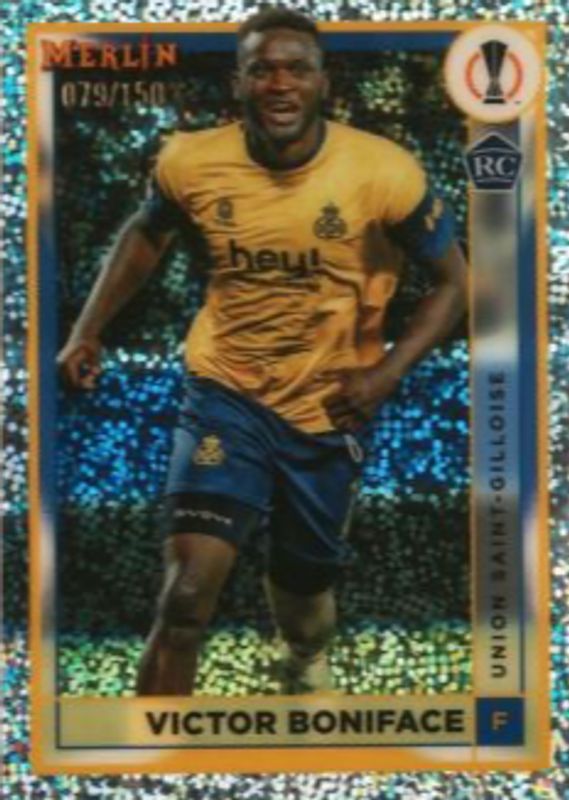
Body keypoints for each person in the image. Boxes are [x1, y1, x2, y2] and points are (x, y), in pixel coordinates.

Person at [57, 7, 467, 696]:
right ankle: (152, 751)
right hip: (226, 392)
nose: (280, 84)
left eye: (296, 70)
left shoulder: (383, 172)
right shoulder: (190, 160)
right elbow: (146, 233)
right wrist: (87, 328)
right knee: (186, 596)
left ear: (323, 84)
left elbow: (455, 282)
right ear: (238, 83)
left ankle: (303, 659)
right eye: (262, 70)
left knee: (304, 593)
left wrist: (388, 372)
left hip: (328, 406)